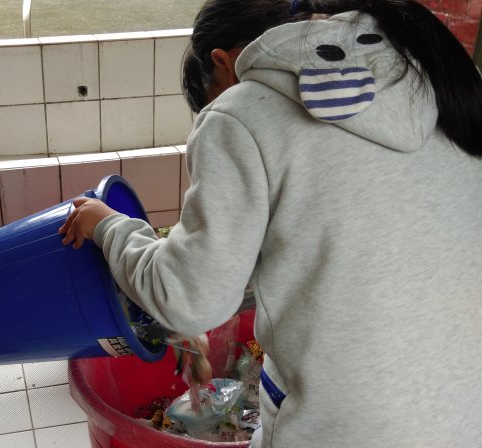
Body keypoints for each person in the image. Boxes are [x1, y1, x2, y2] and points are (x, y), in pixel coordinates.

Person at [60, 0, 482, 446]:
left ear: (222, 62)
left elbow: (187, 299)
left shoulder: (243, 113)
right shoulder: (434, 77)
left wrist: (108, 226)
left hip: (349, 428)